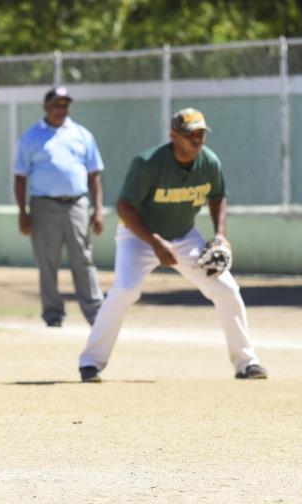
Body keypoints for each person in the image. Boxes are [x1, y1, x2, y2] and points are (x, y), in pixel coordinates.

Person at [76, 108, 268, 383]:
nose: (198, 139)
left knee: (226, 289)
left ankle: (246, 363)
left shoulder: (209, 162)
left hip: (185, 237)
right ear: (173, 136)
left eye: (202, 133)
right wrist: (154, 242)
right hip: (139, 236)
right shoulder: (148, 164)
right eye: (191, 134)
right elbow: (124, 207)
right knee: (125, 290)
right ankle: (90, 363)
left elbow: (218, 197)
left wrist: (220, 235)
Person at [13, 86, 105, 328]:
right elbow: (20, 177)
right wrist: (23, 213)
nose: (61, 110)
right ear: (46, 107)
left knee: (83, 258)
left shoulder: (81, 134)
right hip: (44, 205)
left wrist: (98, 209)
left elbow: (94, 175)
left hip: (77, 204)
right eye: (56, 105)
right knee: (47, 260)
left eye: (65, 105)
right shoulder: (32, 137)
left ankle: (96, 314)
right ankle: (53, 315)